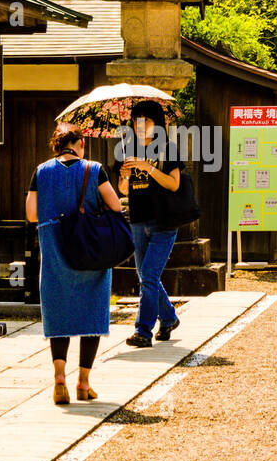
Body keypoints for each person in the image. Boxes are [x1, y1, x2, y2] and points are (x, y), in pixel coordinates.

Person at [27, 123, 123, 404]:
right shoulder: (94, 169)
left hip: (55, 256)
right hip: (91, 253)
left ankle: (59, 379)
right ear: (80, 143)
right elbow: (116, 206)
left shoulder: (41, 172)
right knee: (91, 315)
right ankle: (83, 382)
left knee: (59, 317)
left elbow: (32, 214)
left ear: (57, 146)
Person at [118, 100, 183, 348]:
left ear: (157, 124)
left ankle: (143, 330)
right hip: (138, 220)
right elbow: (123, 189)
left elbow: (174, 184)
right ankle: (168, 317)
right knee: (147, 276)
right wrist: (124, 176)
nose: (140, 126)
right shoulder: (127, 149)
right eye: (136, 121)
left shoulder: (168, 148)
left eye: (145, 121)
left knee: (148, 276)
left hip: (165, 222)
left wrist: (149, 168)